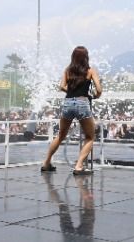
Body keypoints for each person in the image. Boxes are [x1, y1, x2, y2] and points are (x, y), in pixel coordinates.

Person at [40, 46, 102, 175]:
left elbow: (62, 86)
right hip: (82, 103)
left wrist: (72, 91)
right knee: (90, 137)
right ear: (86, 57)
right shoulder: (90, 71)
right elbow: (99, 89)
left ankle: (46, 163)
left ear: (73, 57)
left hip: (68, 102)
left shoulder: (67, 71)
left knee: (61, 135)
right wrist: (95, 96)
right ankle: (78, 166)